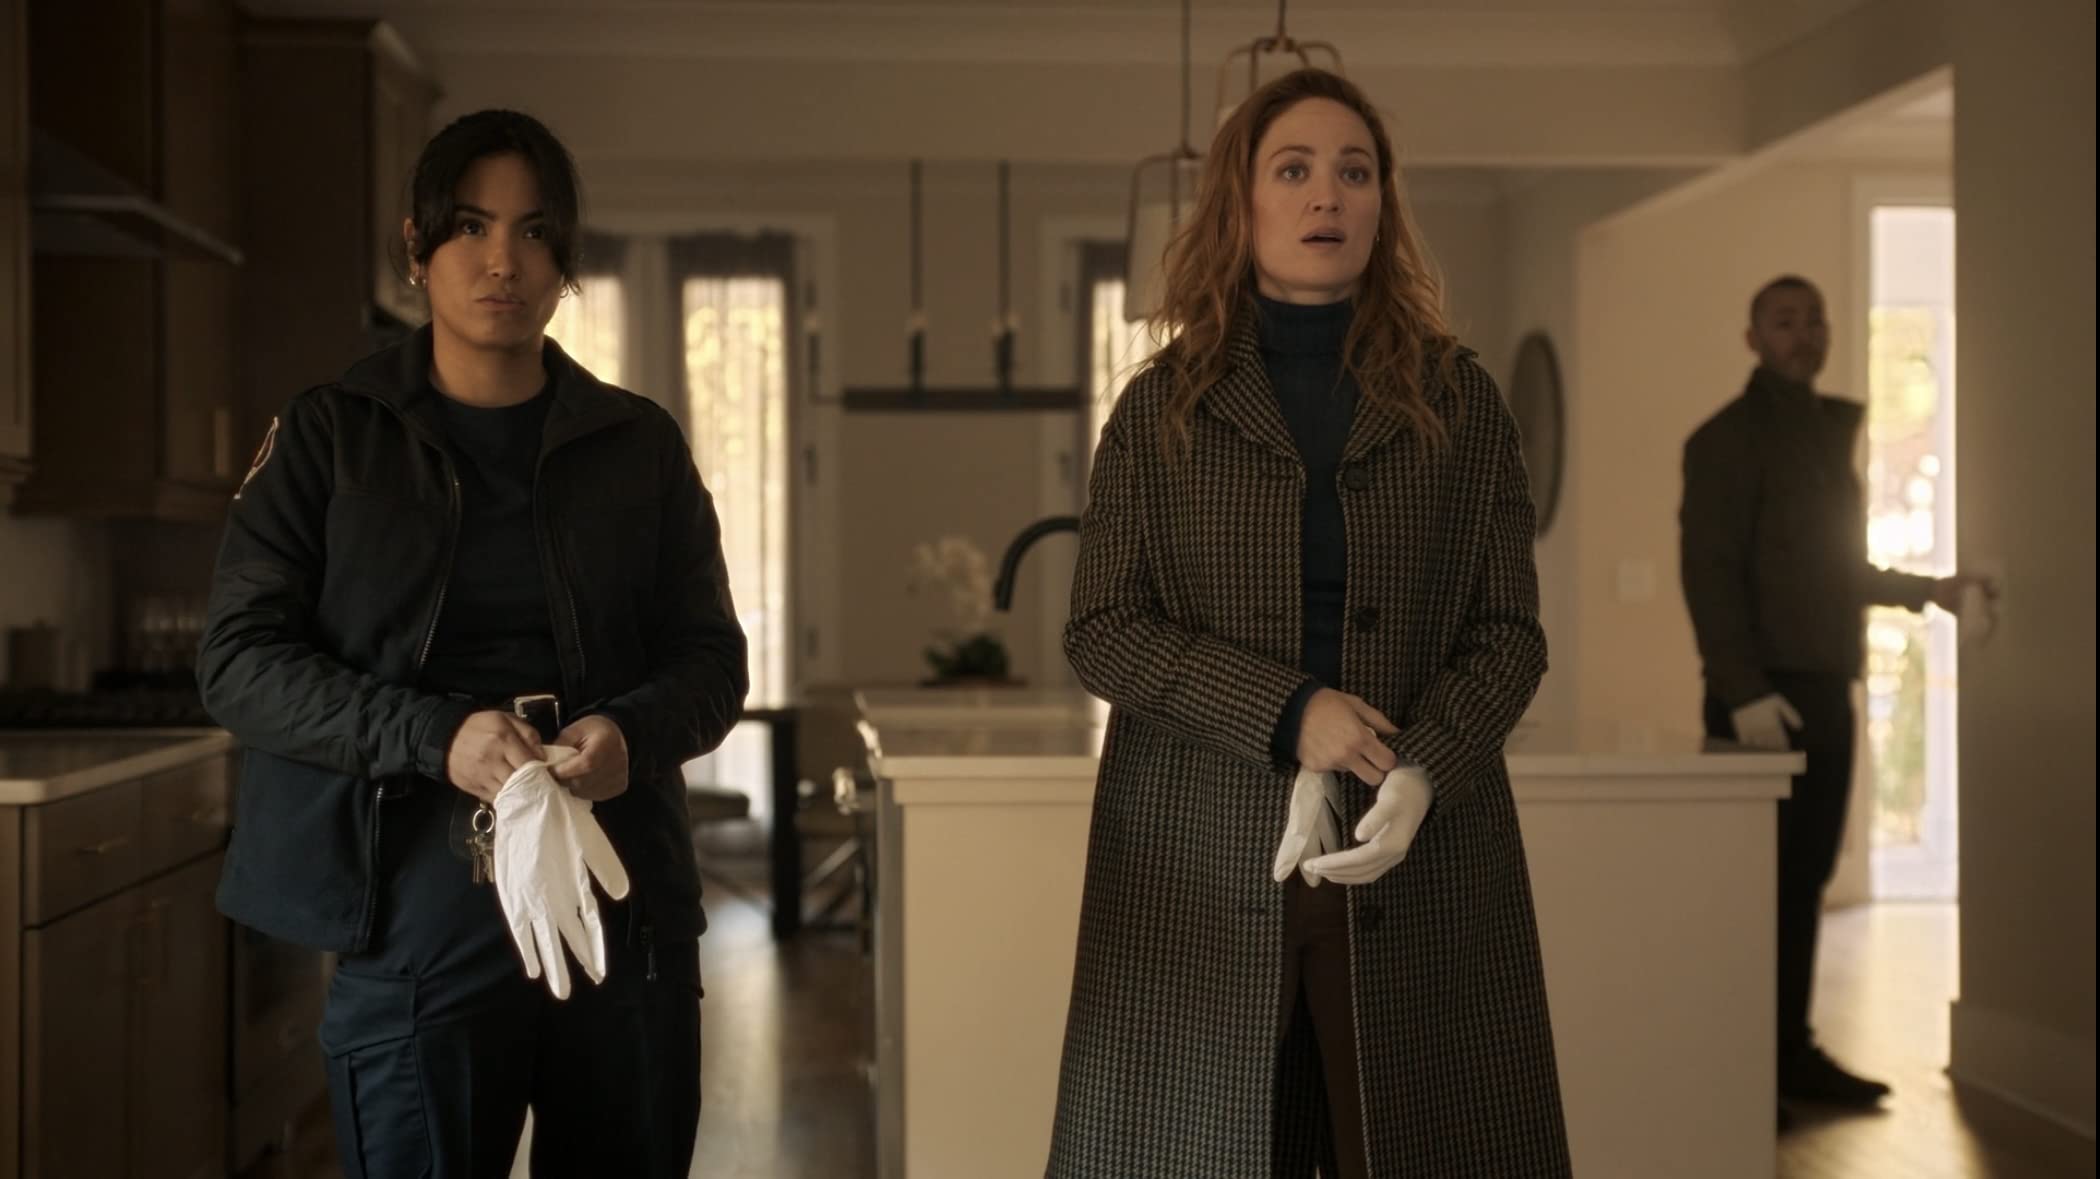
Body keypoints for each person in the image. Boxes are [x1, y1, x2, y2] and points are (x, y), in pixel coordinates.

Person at [197, 109, 747, 1178]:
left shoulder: (639, 443)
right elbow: (239, 662)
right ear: (416, 247)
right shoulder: (329, 435)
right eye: (470, 227)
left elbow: (713, 660)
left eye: (535, 231)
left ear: (566, 259)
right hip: (411, 912)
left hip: (620, 899)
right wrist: (436, 734)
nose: (504, 261)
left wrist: (631, 734)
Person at [1046, 69, 1569, 1178]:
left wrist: (1422, 767)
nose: (1327, 194)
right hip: (1197, 851)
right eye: (1293, 170)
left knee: (1419, 1141)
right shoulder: (1160, 406)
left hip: (1417, 851)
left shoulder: (1461, 400)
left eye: (1354, 172)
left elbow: (1509, 632)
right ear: (1241, 203)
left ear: (1383, 206)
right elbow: (1101, 626)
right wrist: (1289, 712)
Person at [1679, 274, 1987, 1120]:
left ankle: (1789, 1054)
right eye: (1785, 320)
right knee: (1757, 886)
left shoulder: (1822, 435)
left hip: (1821, 687)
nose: (1805, 333)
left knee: (1805, 879)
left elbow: (1835, 568)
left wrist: (1930, 591)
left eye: (1815, 319)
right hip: (1758, 700)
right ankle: (1744, 1069)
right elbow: (1709, 573)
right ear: (1753, 339)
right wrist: (1743, 692)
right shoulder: (1725, 440)